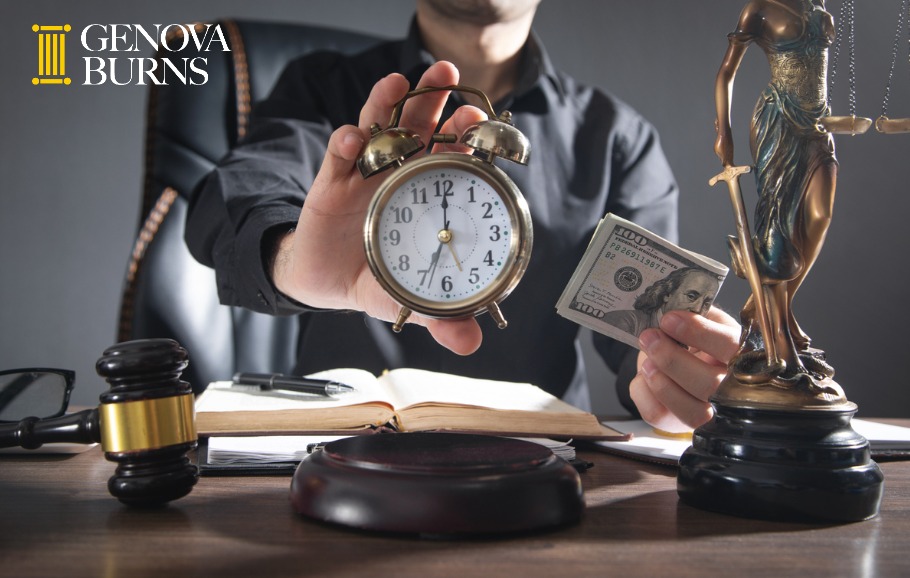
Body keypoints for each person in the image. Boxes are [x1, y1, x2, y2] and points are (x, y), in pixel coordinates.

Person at [186, 0, 729, 422]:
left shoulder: (617, 140)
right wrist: (290, 260)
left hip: (540, 460)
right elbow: (230, 198)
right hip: (347, 448)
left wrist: (668, 377)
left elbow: (636, 339)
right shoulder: (322, 90)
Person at [713, 0, 839, 386]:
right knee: (777, 230)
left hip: (819, 123)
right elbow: (725, 73)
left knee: (820, 215)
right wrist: (724, 132)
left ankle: (762, 307)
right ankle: (780, 337)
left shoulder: (817, 3)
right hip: (779, 119)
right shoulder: (760, 8)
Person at [603, 267, 721, 339]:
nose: (697, 309)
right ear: (667, 294)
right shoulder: (624, 320)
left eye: (706, 303)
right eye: (691, 296)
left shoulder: (696, 340)